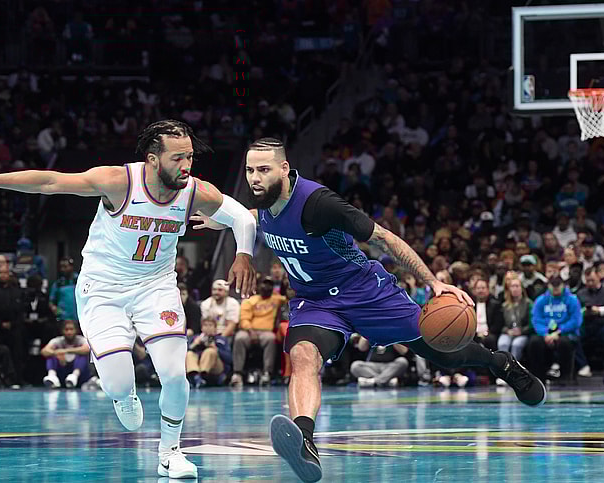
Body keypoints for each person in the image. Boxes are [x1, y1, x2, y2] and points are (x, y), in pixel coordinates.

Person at [191, 137, 545, 483]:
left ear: (284, 169)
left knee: (447, 354)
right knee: (303, 356)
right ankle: (304, 441)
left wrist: (433, 283)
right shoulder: (263, 201)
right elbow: (251, 217)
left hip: (365, 292)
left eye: (263, 169)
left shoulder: (318, 203)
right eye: (250, 169)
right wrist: (222, 221)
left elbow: (385, 239)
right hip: (315, 302)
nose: (254, 177)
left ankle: (500, 364)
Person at [0, 119, 257, 480]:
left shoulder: (195, 191)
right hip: (103, 288)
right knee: (118, 382)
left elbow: (241, 218)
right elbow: (50, 181)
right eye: (177, 158)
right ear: (153, 160)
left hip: (155, 286)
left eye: (189, 156)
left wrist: (244, 254)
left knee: (174, 374)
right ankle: (122, 392)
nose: (186, 165)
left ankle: (170, 452)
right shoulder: (119, 181)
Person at [41, 319, 91, 388]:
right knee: (50, 356)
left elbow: (87, 349)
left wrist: (65, 351)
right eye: (66, 329)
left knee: (82, 355)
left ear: (76, 330)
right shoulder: (57, 340)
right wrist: (56, 353)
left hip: (79, 374)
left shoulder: (81, 339)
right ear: (62, 331)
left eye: (71, 329)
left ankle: (74, 376)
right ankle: (52, 376)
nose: (69, 332)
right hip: (62, 371)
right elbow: (44, 351)